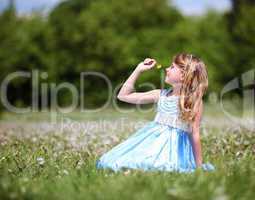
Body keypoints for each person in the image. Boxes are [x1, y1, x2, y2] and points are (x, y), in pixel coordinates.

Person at [96, 53, 216, 174]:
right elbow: (123, 96)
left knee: (164, 167)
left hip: (175, 148)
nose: (167, 69)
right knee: (123, 162)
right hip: (152, 141)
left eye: (172, 67)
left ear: (184, 75)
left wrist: (199, 166)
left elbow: (194, 133)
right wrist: (138, 70)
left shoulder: (192, 100)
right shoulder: (160, 94)